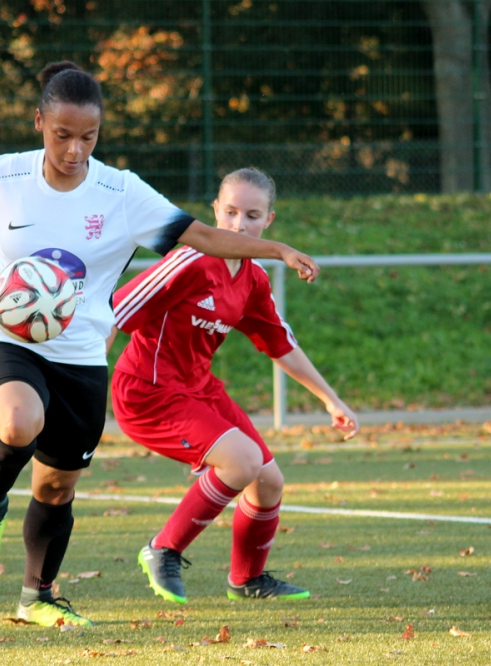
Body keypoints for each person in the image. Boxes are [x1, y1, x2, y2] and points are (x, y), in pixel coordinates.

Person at [0, 63, 319, 627]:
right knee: (19, 420)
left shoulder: (122, 192)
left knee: (56, 484)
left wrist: (278, 250)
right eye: (62, 135)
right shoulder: (4, 175)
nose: (74, 150)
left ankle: (37, 598)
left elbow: (204, 236)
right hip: (6, 337)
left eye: (88, 137)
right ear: (39, 122)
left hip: (80, 353)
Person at [111, 167, 358, 604]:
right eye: (229, 212)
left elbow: (281, 345)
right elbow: (114, 311)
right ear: (214, 211)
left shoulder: (252, 279)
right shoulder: (189, 260)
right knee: (242, 462)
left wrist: (331, 400)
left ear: (269, 221)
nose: (238, 224)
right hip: (148, 392)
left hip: (199, 390)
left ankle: (247, 580)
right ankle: (163, 548)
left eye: (252, 215)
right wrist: (79, 379)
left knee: (268, 481)